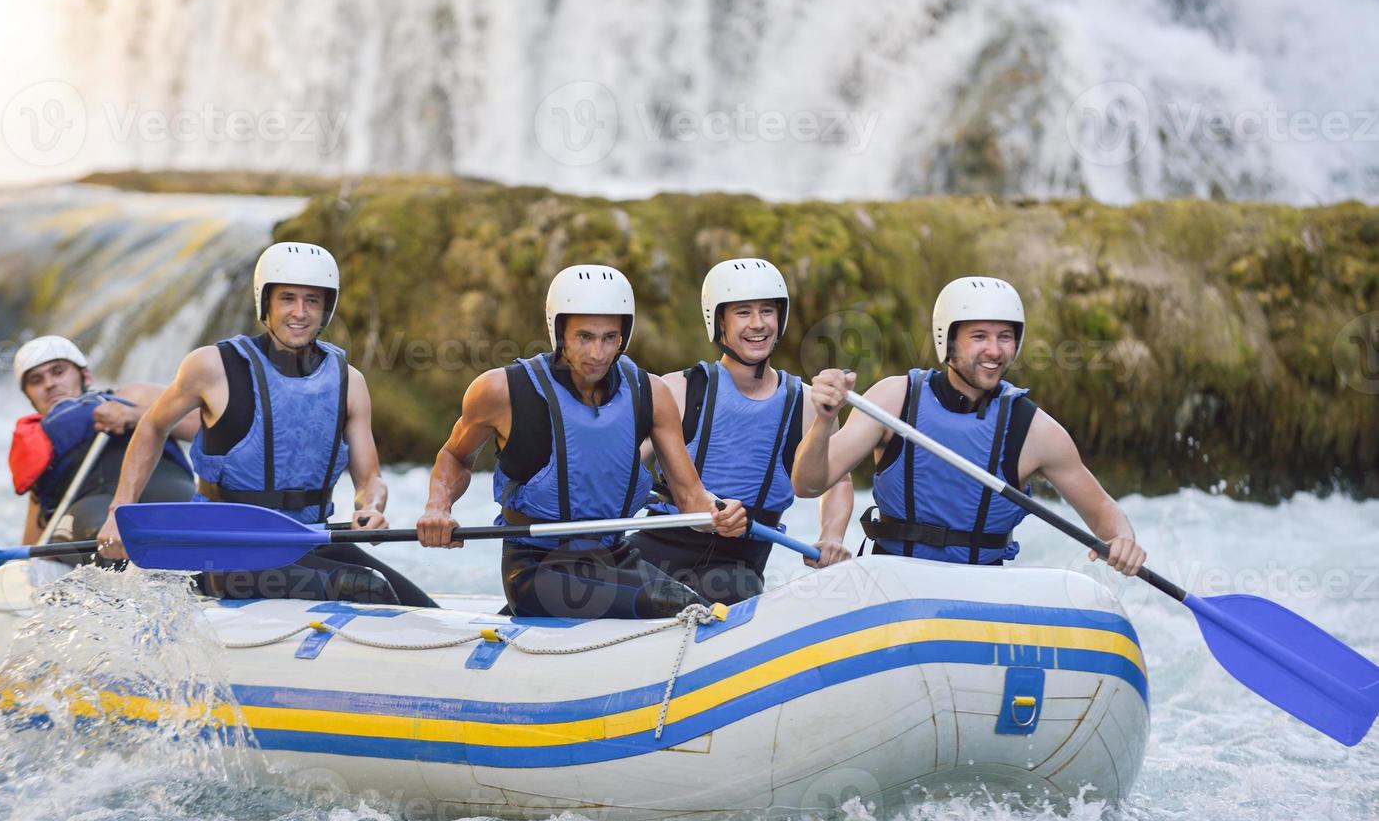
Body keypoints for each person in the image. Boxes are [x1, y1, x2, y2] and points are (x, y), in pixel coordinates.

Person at [96, 242, 434, 606]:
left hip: (305, 539)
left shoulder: (350, 382)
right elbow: (151, 427)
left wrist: (371, 507)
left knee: (419, 607)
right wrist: (119, 513)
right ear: (266, 302)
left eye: (312, 301)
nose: (300, 313)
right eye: (287, 298)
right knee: (368, 587)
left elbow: (369, 479)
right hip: (222, 548)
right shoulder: (212, 366)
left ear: (326, 310)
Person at [417, 264, 748, 619]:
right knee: (675, 609)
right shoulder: (501, 391)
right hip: (538, 567)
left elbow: (690, 499)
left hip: (616, 557)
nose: (597, 353)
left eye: (609, 338)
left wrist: (719, 515)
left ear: (624, 335)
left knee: (701, 609)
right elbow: (455, 456)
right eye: (584, 337)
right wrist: (438, 507)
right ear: (559, 331)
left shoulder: (652, 393)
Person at [793, 276, 1148, 575]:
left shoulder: (1034, 431)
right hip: (893, 582)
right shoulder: (893, 400)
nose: (994, 350)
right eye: (979, 336)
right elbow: (808, 485)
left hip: (981, 597)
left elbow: (1103, 511)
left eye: (1005, 337)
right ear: (947, 341)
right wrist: (825, 422)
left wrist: (1122, 540)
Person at [623, 258, 855, 604]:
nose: (758, 324)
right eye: (743, 313)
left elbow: (837, 480)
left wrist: (831, 536)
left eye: (767, 312)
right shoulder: (678, 390)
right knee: (594, 579)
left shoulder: (810, 404)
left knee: (730, 591)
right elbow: (625, 470)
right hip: (659, 546)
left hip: (738, 563)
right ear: (719, 322)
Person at [10, 335, 198, 546]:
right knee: (97, 532)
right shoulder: (40, 448)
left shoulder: (134, 395)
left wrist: (134, 415)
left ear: (85, 376)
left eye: (58, 371)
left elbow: (205, 424)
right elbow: (30, 549)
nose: (50, 384)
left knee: (193, 521)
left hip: (165, 487)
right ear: (29, 397)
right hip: (89, 509)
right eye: (36, 380)